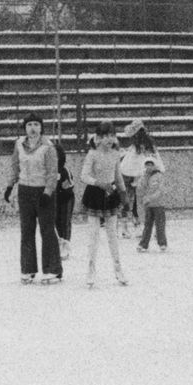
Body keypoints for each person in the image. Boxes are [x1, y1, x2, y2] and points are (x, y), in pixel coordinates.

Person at [4, 113, 62, 285]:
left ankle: (53, 269)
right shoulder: (19, 145)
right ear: (25, 128)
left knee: (47, 230)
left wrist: (48, 192)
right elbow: (15, 166)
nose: (33, 128)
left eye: (36, 124)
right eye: (29, 124)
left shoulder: (48, 147)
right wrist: (9, 186)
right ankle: (28, 269)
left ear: (41, 127)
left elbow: (53, 172)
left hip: (43, 192)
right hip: (25, 191)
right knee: (27, 230)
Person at [79, 120, 128, 287]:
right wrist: (98, 183)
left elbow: (118, 175)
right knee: (93, 234)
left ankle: (118, 268)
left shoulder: (115, 154)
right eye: (105, 135)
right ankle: (91, 269)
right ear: (98, 138)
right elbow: (84, 175)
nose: (109, 139)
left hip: (110, 194)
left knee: (112, 234)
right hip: (95, 194)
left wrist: (123, 193)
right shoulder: (92, 154)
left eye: (112, 135)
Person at [136, 157, 169, 252]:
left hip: (158, 205)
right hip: (148, 205)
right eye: (147, 165)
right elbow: (140, 188)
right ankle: (143, 244)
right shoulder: (144, 176)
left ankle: (162, 243)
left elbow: (161, 190)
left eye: (151, 165)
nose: (149, 167)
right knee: (147, 225)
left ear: (154, 166)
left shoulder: (159, 176)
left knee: (160, 225)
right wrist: (143, 198)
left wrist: (150, 198)